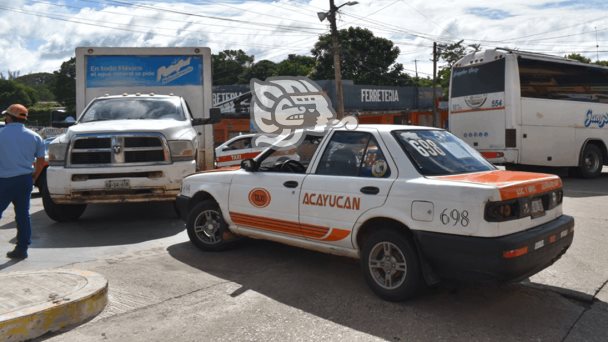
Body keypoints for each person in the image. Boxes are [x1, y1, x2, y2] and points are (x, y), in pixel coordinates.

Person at [0, 104, 45, 259]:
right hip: (25, 180)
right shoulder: (35, 136)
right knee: (23, 215)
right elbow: (41, 160)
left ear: (9, 117)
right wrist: (34, 177)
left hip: (3, 181)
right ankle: (22, 249)